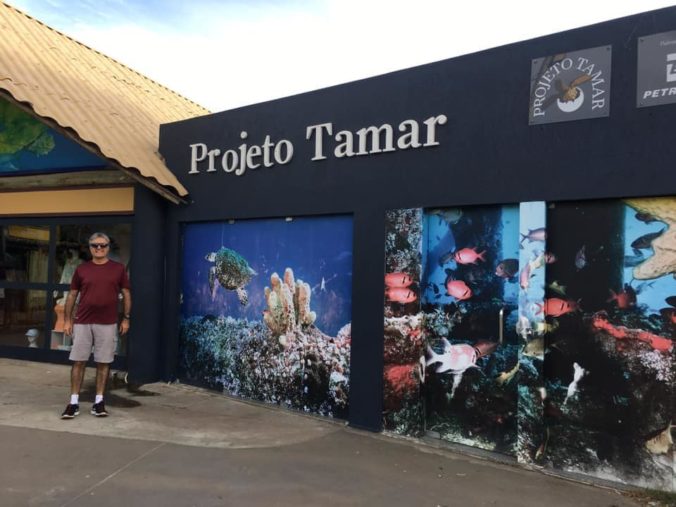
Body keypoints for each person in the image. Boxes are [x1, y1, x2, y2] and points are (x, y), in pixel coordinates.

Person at [60, 232, 131, 419]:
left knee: (103, 362)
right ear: (90, 248)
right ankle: (73, 403)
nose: (99, 248)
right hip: (83, 322)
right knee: (78, 361)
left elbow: (126, 294)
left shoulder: (118, 269)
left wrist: (126, 318)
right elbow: (72, 295)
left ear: (108, 247)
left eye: (103, 245)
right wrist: (67, 320)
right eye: (95, 245)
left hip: (107, 323)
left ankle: (99, 402)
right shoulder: (82, 269)